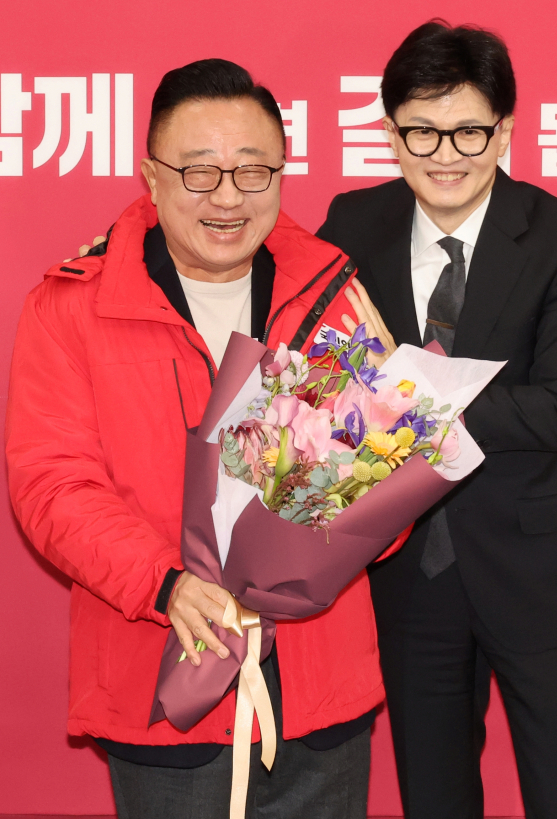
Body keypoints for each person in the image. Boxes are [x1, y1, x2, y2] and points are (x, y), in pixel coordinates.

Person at [7, 59, 398, 817]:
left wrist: (354, 526)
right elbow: (51, 483)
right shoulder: (71, 307)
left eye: (254, 171)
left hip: (319, 688)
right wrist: (165, 582)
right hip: (166, 677)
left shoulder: (333, 291)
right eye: (199, 172)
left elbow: (384, 460)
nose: (228, 196)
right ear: (150, 176)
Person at [314, 20, 557, 819]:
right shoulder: (350, 225)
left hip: (538, 574)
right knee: (433, 797)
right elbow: (325, 384)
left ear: (505, 129)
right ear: (391, 132)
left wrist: (408, 385)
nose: (445, 153)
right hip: (408, 577)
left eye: (469, 131)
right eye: (421, 131)